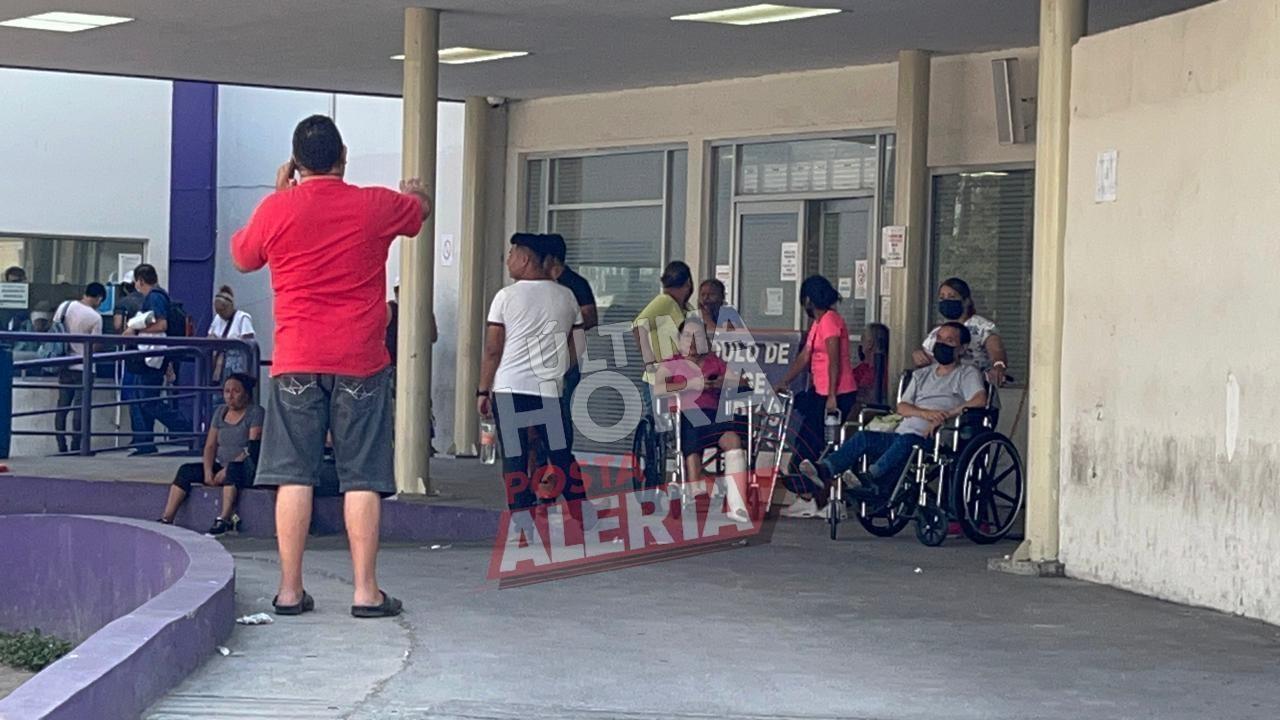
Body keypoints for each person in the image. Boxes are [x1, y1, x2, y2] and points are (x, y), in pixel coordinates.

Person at [231, 114, 430, 618]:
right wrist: (417, 192)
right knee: (361, 475)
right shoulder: (374, 204)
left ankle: (290, 590)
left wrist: (277, 194)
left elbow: (242, 257)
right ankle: (366, 591)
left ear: (296, 163)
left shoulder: (278, 209)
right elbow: (417, 213)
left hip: (297, 359)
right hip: (360, 359)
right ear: (343, 157)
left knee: (293, 474)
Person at [799, 322, 987, 503]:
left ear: (961, 348)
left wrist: (946, 414)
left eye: (949, 341)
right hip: (902, 433)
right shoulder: (921, 374)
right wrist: (926, 414)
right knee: (864, 437)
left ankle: (869, 478)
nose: (942, 344)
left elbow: (979, 400)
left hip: (932, 439)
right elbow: (902, 407)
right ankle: (824, 469)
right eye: (939, 339)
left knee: (907, 441)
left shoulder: (967, 374)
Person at [477, 234, 584, 511]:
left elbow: (492, 349)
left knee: (515, 457)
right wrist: (560, 368)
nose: (508, 260)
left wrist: (482, 390)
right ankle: (580, 513)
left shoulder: (505, 297)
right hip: (548, 389)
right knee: (560, 453)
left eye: (512, 253)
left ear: (525, 259)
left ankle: (523, 521)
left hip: (509, 388)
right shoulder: (567, 296)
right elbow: (579, 343)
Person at [774, 276, 858, 518]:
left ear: (809, 299)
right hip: (820, 392)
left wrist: (832, 395)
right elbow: (805, 357)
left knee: (819, 446)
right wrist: (784, 381)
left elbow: (834, 358)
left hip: (835, 393)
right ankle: (808, 497)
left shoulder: (831, 321)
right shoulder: (818, 324)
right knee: (804, 445)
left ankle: (823, 500)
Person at [655, 318, 750, 522]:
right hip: (685, 414)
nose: (692, 341)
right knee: (692, 430)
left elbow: (743, 381)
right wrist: (691, 384)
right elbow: (659, 387)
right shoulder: (671, 363)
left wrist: (719, 383)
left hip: (713, 414)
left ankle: (737, 504)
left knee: (733, 439)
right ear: (679, 339)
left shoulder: (714, 361)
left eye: (698, 336)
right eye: (687, 336)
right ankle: (696, 491)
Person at [158, 374, 264, 535]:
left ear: (246, 394)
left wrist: (227, 469)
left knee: (234, 470)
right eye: (227, 391)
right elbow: (210, 445)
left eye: (236, 391)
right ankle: (167, 517)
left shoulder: (255, 412)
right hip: (221, 465)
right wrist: (208, 471)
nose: (230, 396)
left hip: (244, 466)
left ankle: (224, 518)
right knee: (186, 470)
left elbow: (252, 446)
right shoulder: (220, 411)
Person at [122, 263, 192, 455]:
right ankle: (145, 443)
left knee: (148, 401)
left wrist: (135, 330)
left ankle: (187, 430)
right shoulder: (161, 296)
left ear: (140, 281)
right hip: (152, 357)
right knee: (144, 400)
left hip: (151, 359)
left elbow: (162, 325)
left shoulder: (154, 297)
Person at [541, 233, 596, 462]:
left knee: (561, 411)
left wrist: (566, 322)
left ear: (551, 259)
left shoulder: (575, 284)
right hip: (540, 357)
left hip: (566, 359)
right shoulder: (540, 285)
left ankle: (561, 460)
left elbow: (591, 319)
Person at [913, 277, 1008, 388]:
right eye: (942, 298)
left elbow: (997, 352)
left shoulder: (983, 327)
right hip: (940, 387)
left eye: (952, 297)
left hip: (975, 386)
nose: (946, 301)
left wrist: (998, 366)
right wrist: (918, 355)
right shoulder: (936, 332)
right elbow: (927, 360)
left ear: (966, 301)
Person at [53, 283, 107, 453]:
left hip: (64, 364)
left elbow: (54, 331)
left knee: (62, 407)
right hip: (84, 367)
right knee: (81, 409)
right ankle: (78, 446)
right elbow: (96, 345)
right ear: (99, 298)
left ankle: (61, 446)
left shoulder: (65, 306)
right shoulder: (95, 318)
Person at [633, 261, 694, 410]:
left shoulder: (686, 307)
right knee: (659, 426)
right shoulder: (665, 301)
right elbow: (638, 326)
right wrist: (649, 360)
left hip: (678, 378)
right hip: (659, 378)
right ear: (687, 283)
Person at [208, 285, 256, 382]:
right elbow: (210, 335)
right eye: (218, 311)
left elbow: (248, 343)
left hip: (236, 364)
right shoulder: (217, 319)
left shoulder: (243, 318)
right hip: (218, 364)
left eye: (222, 310)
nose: (220, 314)